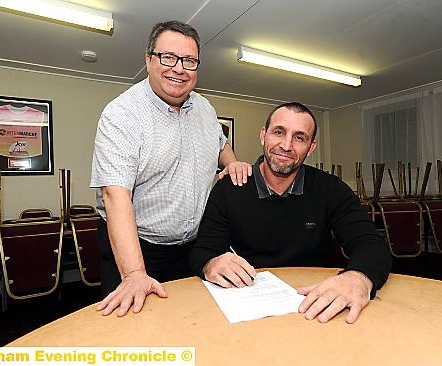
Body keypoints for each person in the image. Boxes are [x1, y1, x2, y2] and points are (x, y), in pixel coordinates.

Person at [90, 20, 252, 317]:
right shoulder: (121, 114)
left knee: (193, 319)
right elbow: (115, 196)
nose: (179, 68)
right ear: (149, 59)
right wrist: (135, 274)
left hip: (193, 245)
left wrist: (233, 163)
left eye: (189, 61)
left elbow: (220, 144)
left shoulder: (205, 109)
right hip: (137, 249)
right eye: (168, 57)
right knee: (136, 330)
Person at [189, 102, 392, 324]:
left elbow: (370, 242)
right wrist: (210, 263)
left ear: (311, 148)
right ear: (263, 135)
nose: (286, 145)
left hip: (316, 306)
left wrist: (358, 279)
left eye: (299, 137)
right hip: (248, 307)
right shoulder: (230, 188)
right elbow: (202, 251)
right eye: (279, 132)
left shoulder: (331, 189)